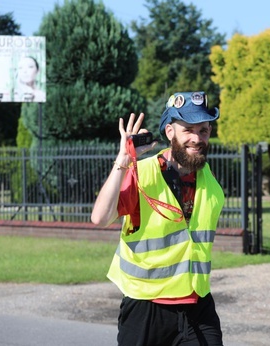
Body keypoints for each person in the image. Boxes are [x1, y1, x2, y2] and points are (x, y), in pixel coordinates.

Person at [91, 91, 225, 346]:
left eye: (204, 130)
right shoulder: (142, 174)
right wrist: (123, 160)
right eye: (188, 129)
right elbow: (100, 217)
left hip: (198, 306)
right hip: (147, 309)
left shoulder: (210, 181)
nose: (197, 138)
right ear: (169, 131)